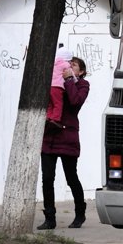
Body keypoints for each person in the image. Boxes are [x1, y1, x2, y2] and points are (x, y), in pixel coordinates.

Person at [39, 57, 90, 230]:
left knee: (71, 178)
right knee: (47, 178)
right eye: (68, 64)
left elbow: (75, 102)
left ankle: (80, 212)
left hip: (67, 136)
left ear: (81, 71)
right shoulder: (55, 82)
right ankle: (50, 217)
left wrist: (69, 80)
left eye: (73, 65)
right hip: (50, 136)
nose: (68, 67)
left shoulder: (82, 85)